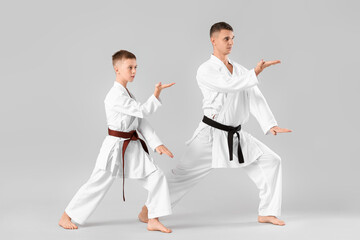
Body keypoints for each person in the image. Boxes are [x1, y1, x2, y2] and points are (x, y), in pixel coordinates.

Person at [138, 22, 292, 226]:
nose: (231, 42)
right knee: (181, 178)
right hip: (210, 136)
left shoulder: (239, 70)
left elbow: (253, 95)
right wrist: (254, 73)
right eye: (226, 38)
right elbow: (229, 86)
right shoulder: (206, 69)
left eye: (233, 38)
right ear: (213, 40)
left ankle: (267, 212)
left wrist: (269, 124)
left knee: (272, 161)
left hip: (236, 136)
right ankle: (150, 209)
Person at [59, 50, 175, 233]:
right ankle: (66, 215)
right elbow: (143, 111)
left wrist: (156, 143)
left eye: (136, 67)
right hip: (115, 148)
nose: (134, 71)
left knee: (156, 176)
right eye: (130, 67)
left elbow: (140, 121)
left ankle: (151, 217)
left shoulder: (127, 93)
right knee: (97, 182)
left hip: (132, 146)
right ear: (117, 69)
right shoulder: (115, 95)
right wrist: (156, 95)